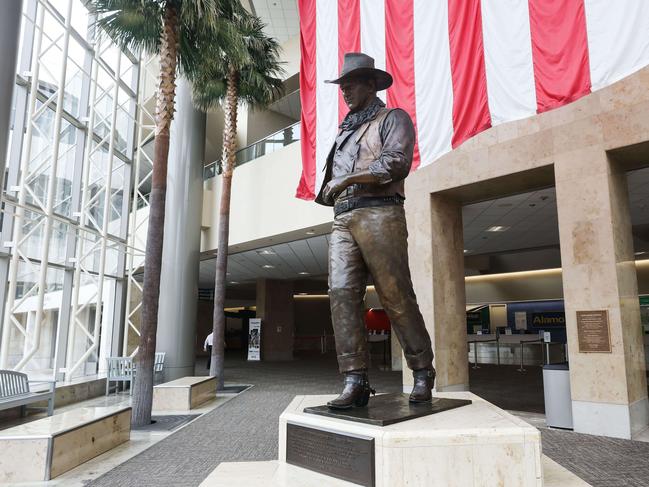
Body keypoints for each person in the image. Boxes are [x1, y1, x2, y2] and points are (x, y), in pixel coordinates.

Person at [316, 52, 435, 409]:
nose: (346, 92)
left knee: (395, 295)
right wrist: (333, 188)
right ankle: (355, 379)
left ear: (371, 85)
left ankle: (422, 369)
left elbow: (395, 163)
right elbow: (331, 181)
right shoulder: (346, 129)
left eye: (351, 85)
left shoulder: (392, 118)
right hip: (343, 218)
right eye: (343, 86)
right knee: (340, 294)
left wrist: (346, 179)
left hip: (380, 213)